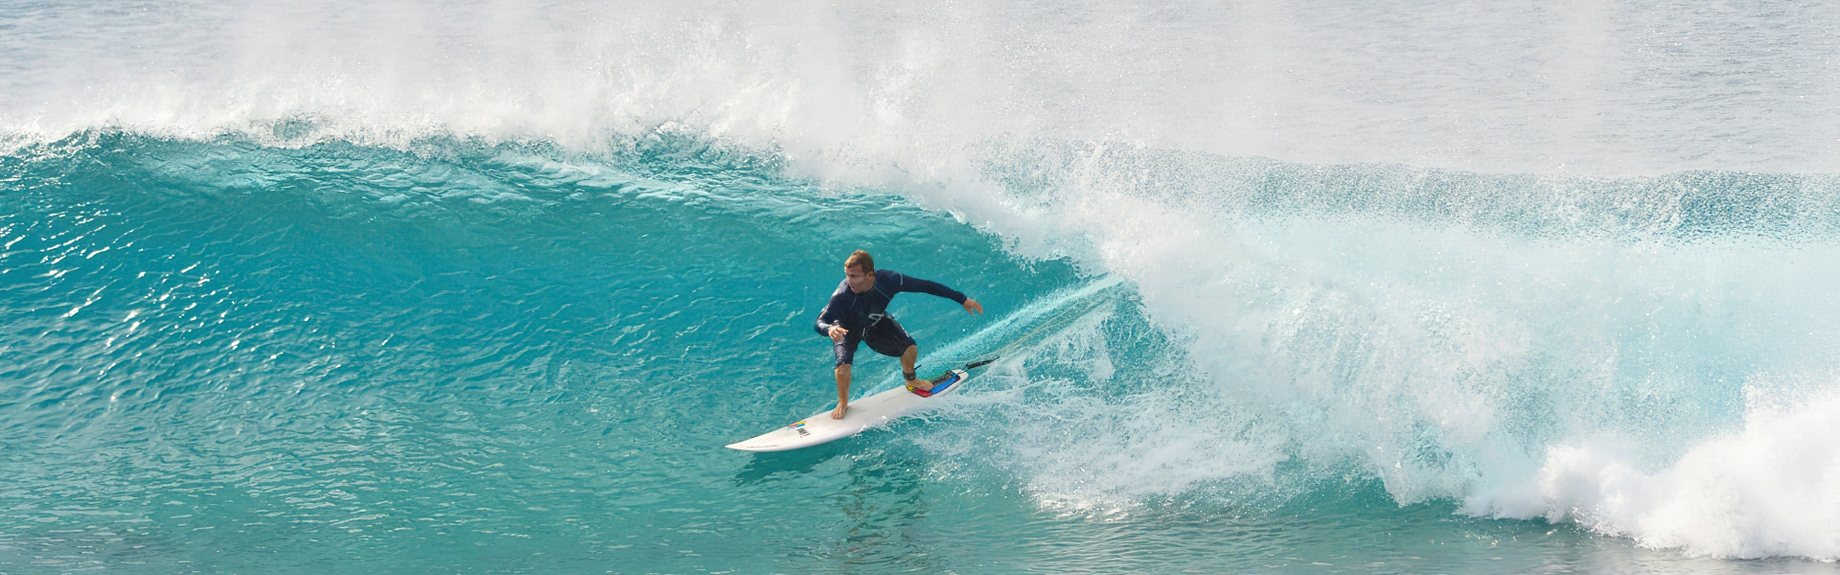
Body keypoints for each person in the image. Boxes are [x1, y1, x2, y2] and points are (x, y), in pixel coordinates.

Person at [814, 250, 983, 419]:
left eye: (855, 276)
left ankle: (910, 378)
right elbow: (820, 321)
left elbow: (926, 286)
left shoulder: (890, 280)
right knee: (843, 366)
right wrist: (829, 329)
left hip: (875, 323)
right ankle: (842, 402)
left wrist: (961, 299)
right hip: (845, 329)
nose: (849, 281)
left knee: (910, 348)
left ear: (870, 275)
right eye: (847, 275)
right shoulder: (842, 294)